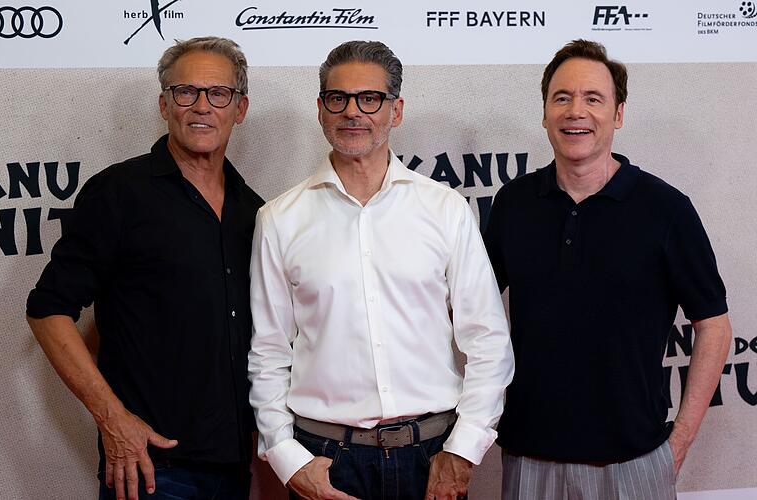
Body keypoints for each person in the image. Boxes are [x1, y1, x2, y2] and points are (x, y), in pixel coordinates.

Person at [248, 40, 514, 500]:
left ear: (396, 110)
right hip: (325, 459)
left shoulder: (444, 209)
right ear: (321, 109)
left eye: (369, 98)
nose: (353, 112)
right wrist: (289, 459)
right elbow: (268, 352)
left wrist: (463, 451)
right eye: (338, 98)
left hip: (431, 456)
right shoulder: (280, 218)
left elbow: (488, 340)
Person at [483, 39, 732, 499]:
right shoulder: (513, 204)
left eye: (593, 98)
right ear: (544, 113)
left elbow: (714, 325)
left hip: (635, 464)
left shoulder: (666, 209)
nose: (576, 111)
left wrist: (678, 443)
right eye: (562, 98)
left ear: (618, 114)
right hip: (528, 461)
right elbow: (469, 310)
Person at [26, 36, 263, 500]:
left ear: (240, 108)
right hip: (151, 469)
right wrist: (113, 420)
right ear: (164, 104)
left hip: (235, 468)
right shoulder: (119, 193)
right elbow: (47, 311)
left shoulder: (254, 210)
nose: (201, 106)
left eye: (218, 93)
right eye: (185, 91)